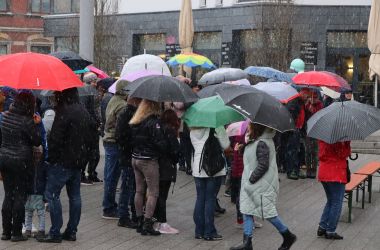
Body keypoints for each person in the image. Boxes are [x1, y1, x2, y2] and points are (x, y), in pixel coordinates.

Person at [38, 88, 95, 243]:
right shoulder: (82, 111)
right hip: (77, 162)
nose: (54, 96)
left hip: (62, 162)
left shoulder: (63, 112)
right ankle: (71, 230)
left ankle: (55, 231)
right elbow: (91, 137)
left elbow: (56, 139)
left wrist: (51, 159)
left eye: (56, 93)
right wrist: (84, 158)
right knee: (75, 196)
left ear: (61, 95)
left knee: (52, 195)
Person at [230, 123, 297, 250]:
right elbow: (253, 158)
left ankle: (287, 235)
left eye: (250, 125)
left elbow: (263, 165)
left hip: (259, 185)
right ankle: (247, 243)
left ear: (256, 128)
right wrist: (242, 149)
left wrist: (251, 179)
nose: (247, 127)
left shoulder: (262, 142)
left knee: (268, 213)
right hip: (254, 184)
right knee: (247, 210)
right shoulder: (256, 141)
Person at [0, 92, 41, 242]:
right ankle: (17, 233)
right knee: (19, 196)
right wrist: (37, 124)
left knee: (8, 194)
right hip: (21, 161)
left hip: (4, 159)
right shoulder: (27, 120)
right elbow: (37, 141)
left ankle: (6, 231)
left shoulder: (5, 116)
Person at [129, 99, 167, 236]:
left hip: (135, 158)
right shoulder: (154, 123)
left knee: (139, 190)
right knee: (153, 192)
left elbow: (131, 140)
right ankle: (147, 223)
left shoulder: (136, 120)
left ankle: (139, 220)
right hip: (148, 160)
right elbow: (160, 143)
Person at [190, 126, 230, 241]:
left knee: (200, 198)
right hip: (214, 168)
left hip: (198, 167)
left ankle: (199, 231)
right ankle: (209, 232)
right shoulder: (216, 126)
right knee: (210, 199)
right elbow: (226, 145)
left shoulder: (193, 128)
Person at [102, 80, 129, 219]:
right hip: (114, 142)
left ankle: (108, 204)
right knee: (113, 176)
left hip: (108, 140)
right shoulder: (123, 105)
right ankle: (109, 207)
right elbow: (121, 127)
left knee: (109, 175)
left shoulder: (112, 100)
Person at [115, 96, 141, 228]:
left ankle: (131, 214)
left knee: (131, 185)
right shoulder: (127, 114)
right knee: (127, 186)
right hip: (128, 156)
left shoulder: (129, 113)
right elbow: (121, 136)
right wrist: (134, 142)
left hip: (128, 155)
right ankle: (124, 216)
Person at [317, 140, 351, 240]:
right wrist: (347, 143)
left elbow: (322, 155)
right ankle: (330, 230)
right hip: (336, 173)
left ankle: (322, 227)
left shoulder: (323, 136)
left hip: (324, 172)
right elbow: (344, 154)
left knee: (331, 201)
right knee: (336, 203)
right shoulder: (340, 139)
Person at [153, 109, 180, 234]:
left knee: (157, 195)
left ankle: (155, 221)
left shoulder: (157, 128)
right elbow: (175, 151)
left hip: (156, 164)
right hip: (166, 167)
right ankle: (162, 222)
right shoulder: (170, 131)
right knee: (162, 196)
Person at [81, 73, 102, 185]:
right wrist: (95, 122)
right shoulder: (86, 92)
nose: (96, 83)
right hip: (88, 128)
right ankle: (83, 175)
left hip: (92, 127)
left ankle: (92, 173)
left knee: (94, 153)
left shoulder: (91, 91)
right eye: (94, 81)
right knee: (88, 152)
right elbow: (88, 110)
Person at [303, 91, 323, 179]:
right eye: (311, 97)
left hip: (316, 129)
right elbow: (304, 115)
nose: (313, 99)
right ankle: (308, 170)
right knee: (307, 151)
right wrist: (307, 106)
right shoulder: (307, 104)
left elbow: (319, 116)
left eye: (315, 98)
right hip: (308, 129)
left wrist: (313, 109)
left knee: (314, 151)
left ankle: (313, 171)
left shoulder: (320, 105)